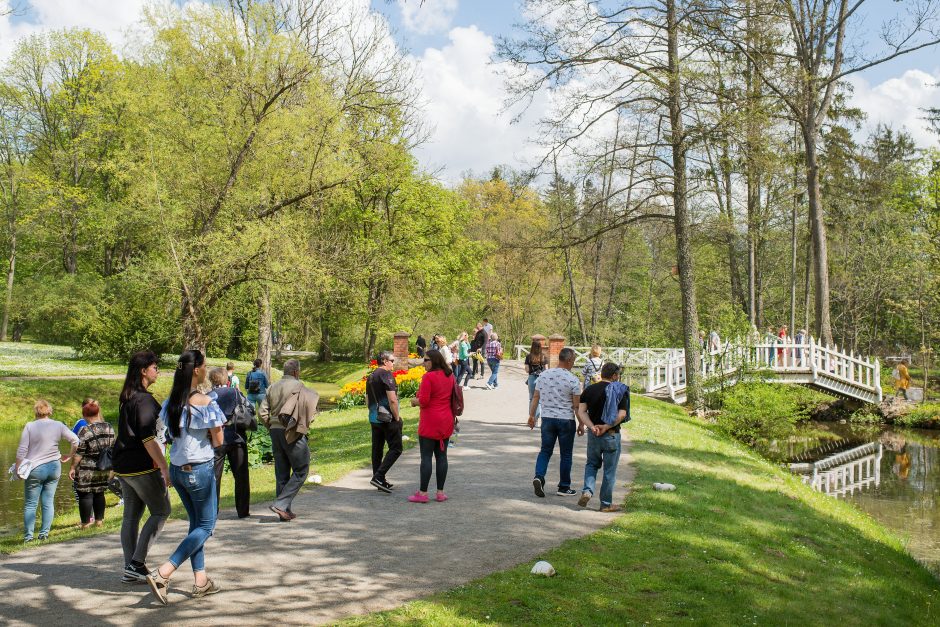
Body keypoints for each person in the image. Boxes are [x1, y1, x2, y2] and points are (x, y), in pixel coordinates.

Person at [147, 350, 226, 605]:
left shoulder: (172, 400)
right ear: (196, 370)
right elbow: (219, 439)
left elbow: (163, 434)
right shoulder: (204, 401)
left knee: (196, 525)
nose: (206, 369)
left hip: (178, 469)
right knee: (206, 526)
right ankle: (164, 572)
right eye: (204, 366)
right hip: (199, 469)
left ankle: (201, 581)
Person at [112, 351, 171, 584]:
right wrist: (165, 467)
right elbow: (148, 439)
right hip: (140, 465)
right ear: (143, 371)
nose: (157, 370)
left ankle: (130, 567)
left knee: (131, 516)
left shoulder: (129, 397)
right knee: (161, 510)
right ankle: (136, 563)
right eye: (154, 367)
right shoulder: (144, 401)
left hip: (123, 465)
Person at [260, 358, 317, 521]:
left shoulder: (272, 387)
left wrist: (270, 426)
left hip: (275, 431)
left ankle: (284, 511)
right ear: (296, 372)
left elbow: (262, 412)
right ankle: (281, 504)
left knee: (282, 472)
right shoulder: (300, 387)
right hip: (292, 431)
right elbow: (308, 414)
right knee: (301, 469)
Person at [15, 400, 79, 542]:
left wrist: (18, 468)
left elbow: (22, 449)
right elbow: (75, 440)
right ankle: (44, 534)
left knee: (31, 503)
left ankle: (28, 537)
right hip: (54, 467)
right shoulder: (58, 425)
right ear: (49, 411)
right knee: (48, 502)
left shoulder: (30, 426)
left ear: (36, 412)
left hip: (35, 468)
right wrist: (70, 455)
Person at [527, 347, 582, 497]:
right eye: (574, 361)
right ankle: (564, 487)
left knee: (545, 450)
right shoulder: (573, 380)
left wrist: (532, 416)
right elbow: (577, 406)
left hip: (548, 419)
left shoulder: (544, 376)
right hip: (566, 420)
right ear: (569, 360)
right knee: (566, 454)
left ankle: (539, 476)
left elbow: (535, 398)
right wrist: (582, 424)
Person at [577, 363, 630, 512]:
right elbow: (622, 414)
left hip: (593, 434)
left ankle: (587, 491)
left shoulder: (589, 389)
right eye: (617, 375)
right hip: (611, 435)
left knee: (592, 464)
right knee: (609, 470)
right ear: (614, 375)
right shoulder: (619, 390)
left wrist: (592, 426)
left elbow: (582, 412)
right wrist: (606, 426)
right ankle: (606, 504)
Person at [407, 350, 456, 503]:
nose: (424, 363)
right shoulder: (450, 375)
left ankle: (422, 493)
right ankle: (440, 493)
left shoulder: (428, 377)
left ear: (433, 361)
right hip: (446, 420)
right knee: (442, 457)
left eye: (426, 360)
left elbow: (424, 401)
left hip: (430, 422)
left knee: (426, 457)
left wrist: (414, 401)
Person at [208, 368, 251, 519]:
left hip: (215, 439)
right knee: (241, 475)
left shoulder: (208, 396)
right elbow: (249, 407)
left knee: (214, 477)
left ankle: (213, 511)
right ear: (227, 379)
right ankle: (243, 510)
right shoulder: (234, 392)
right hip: (236, 436)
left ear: (212, 380)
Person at [69, 398, 115, 529]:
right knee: (99, 493)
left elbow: (79, 453)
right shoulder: (109, 427)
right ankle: (99, 521)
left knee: (85, 494)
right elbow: (113, 446)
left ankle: (85, 524)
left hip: (87, 469)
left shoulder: (84, 430)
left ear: (85, 415)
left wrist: (72, 467)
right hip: (104, 467)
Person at [366, 351, 403, 493]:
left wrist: (373, 412)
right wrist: (397, 418)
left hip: (374, 418)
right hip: (387, 419)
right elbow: (392, 400)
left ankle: (378, 479)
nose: (393, 363)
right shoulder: (386, 375)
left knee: (377, 449)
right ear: (384, 361)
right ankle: (379, 476)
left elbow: (367, 400)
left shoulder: (371, 376)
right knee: (396, 448)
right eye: (392, 360)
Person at [524, 338, 547, 423]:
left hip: (532, 378)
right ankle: (537, 418)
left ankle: (531, 418)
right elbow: (546, 370)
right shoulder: (543, 356)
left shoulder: (528, 356)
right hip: (541, 379)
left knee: (531, 398)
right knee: (539, 400)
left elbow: (526, 370)